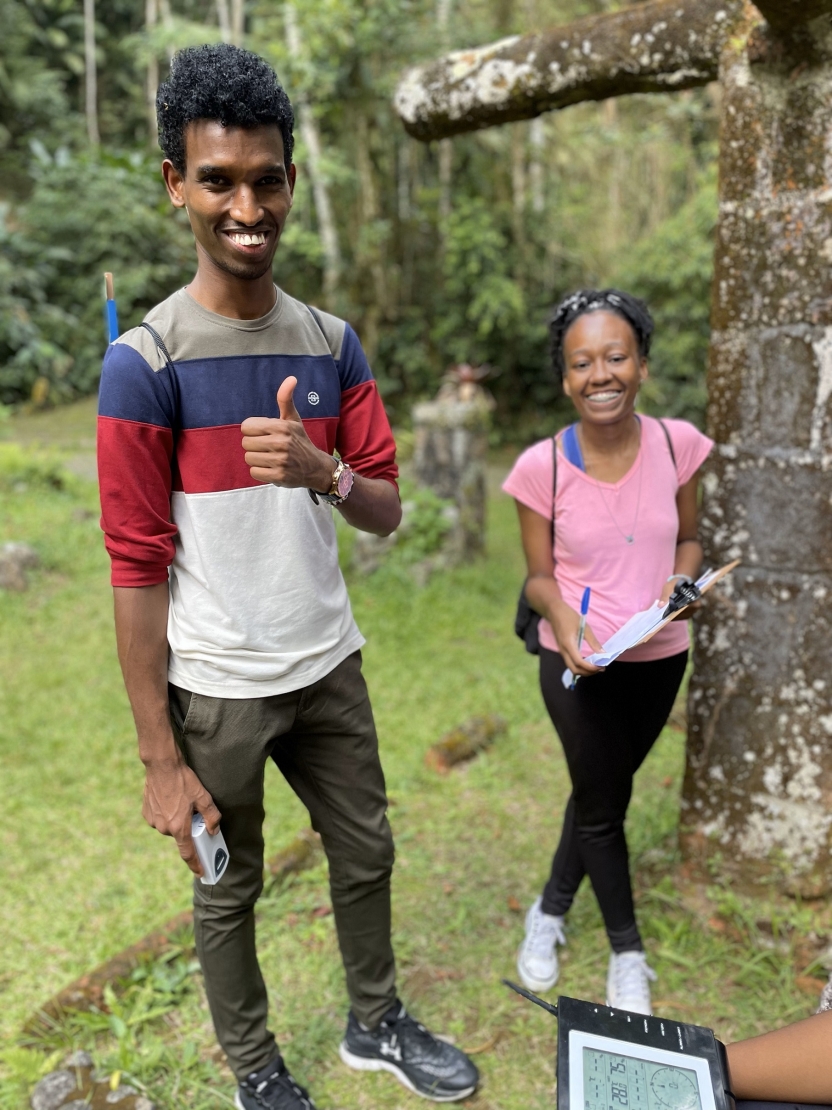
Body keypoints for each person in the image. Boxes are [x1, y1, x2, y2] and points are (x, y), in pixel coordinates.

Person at [96, 43, 478, 1110]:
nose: (245, 205)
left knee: (367, 852)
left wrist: (325, 472)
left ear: (291, 182)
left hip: (328, 666)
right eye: (218, 180)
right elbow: (134, 564)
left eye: (266, 179)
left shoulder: (330, 343)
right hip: (219, 684)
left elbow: (388, 511)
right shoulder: (148, 361)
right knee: (229, 890)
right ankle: (257, 1072)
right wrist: (158, 759)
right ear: (177, 183)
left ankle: (375, 1023)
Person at [502, 289, 713, 1015]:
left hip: (661, 656)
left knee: (601, 790)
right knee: (602, 808)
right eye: (582, 362)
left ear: (642, 366)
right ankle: (628, 953)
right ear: (565, 378)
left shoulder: (677, 444)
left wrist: (683, 576)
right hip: (577, 664)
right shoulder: (541, 467)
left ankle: (550, 908)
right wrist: (565, 618)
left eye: (616, 357)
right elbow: (537, 579)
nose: (601, 374)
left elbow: (688, 536)